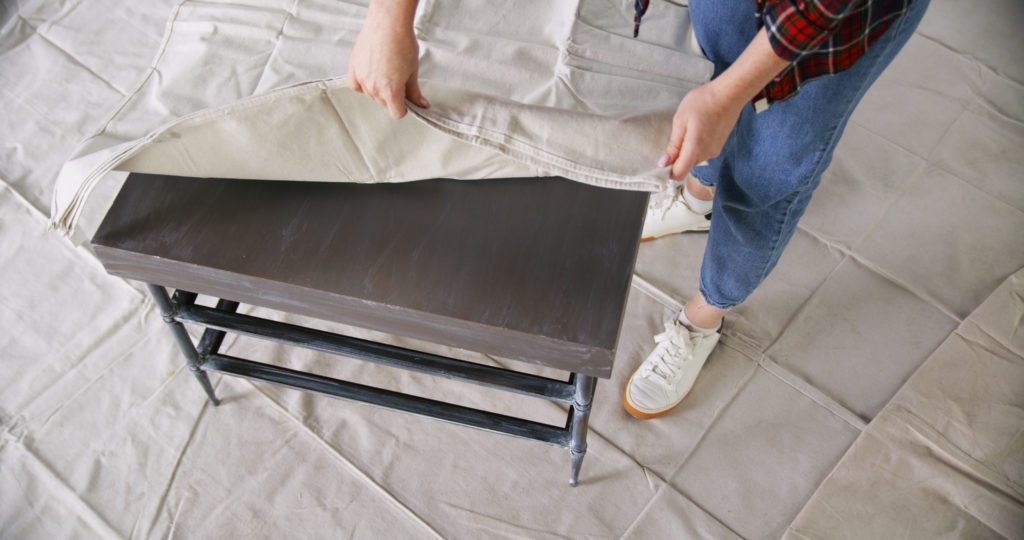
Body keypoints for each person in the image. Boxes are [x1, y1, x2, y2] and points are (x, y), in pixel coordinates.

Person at [349, 0, 930, 420]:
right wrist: (387, 18)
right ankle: (701, 197)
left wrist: (729, 98)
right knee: (711, 62)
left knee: (770, 168)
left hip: (834, 14)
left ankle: (707, 314)